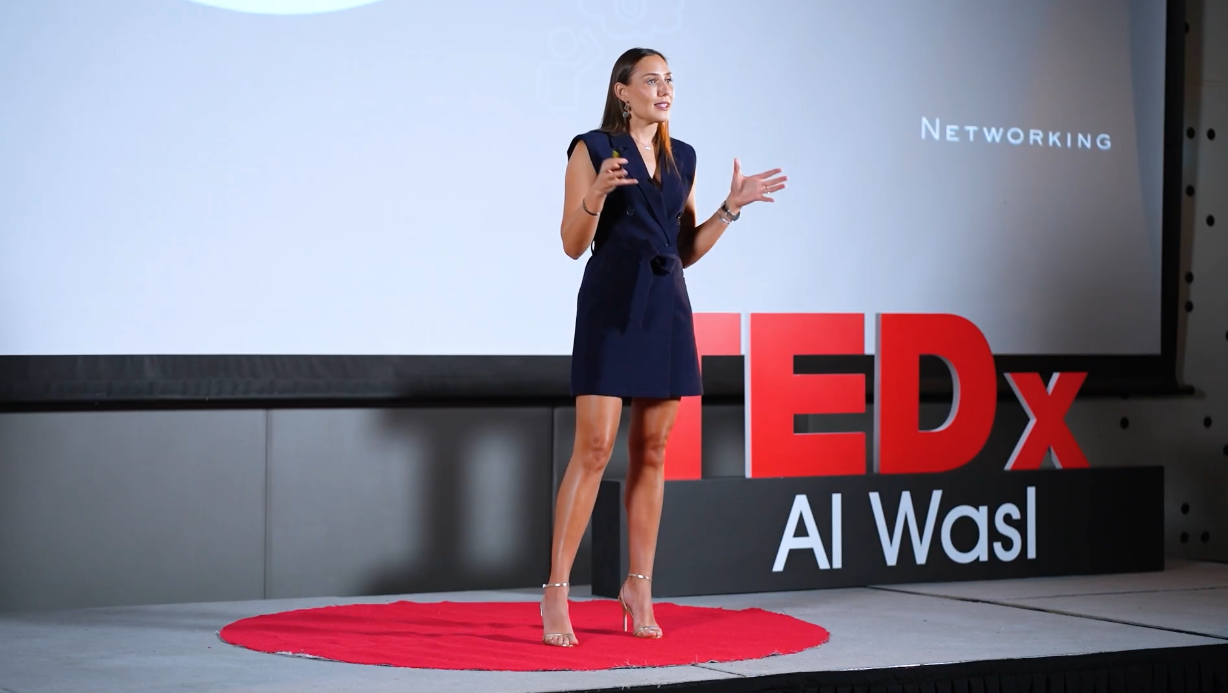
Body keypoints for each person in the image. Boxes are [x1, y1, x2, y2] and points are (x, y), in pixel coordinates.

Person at [540, 47, 787, 647]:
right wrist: (597, 194)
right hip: (610, 306)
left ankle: (639, 586)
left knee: (652, 452)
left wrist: (730, 208)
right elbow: (572, 243)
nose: (664, 89)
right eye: (651, 80)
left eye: (669, 80)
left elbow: (684, 250)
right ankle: (556, 590)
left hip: (667, 308)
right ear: (622, 91)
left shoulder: (685, 157)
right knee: (594, 448)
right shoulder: (592, 149)